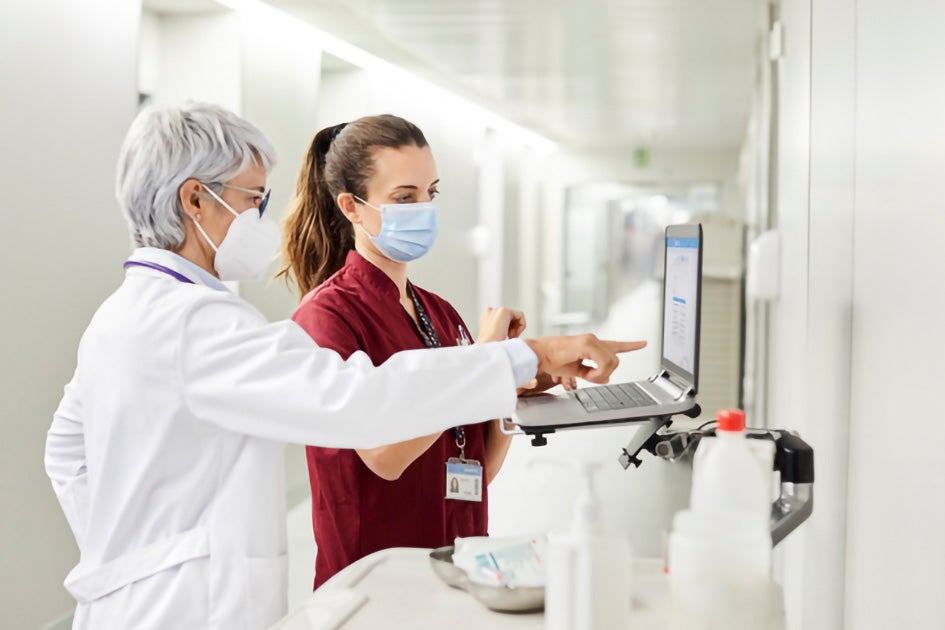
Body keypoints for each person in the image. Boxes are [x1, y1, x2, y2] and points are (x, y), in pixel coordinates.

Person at [43, 102, 646, 630]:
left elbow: (65, 452)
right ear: (195, 198)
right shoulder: (197, 324)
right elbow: (362, 406)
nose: (261, 216)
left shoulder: (125, 315)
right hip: (183, 609)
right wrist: (520, 356)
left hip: (146, 599)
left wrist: (126, 551)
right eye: (253, 198)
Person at [280, 115, 575, 589]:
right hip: (375, 582)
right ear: (352, 207)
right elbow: (385, 457)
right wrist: (482, 365)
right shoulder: (327, 318)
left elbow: (479, 466)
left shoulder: (439, 313)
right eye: (403, 197)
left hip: (460, 564)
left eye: (429, 193)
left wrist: (512, 392)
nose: (423, 208)